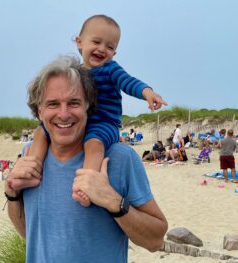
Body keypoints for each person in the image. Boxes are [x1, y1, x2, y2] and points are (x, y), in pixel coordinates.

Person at [5, 56, 168, 262]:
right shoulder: (31, 155)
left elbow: (155, 240)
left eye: (73, 103)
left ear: (87, 106)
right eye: (53, 104)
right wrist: (12, 194)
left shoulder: (119, 158)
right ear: (39, 110)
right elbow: (31, 234)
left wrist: (114, 202)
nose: (63, 114)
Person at [28, 14, 167, 207]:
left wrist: (147, 92)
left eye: (110, 47)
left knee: (93, 144)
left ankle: (87, 186)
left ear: (114, 53)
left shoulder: (110, 69)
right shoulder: (75, 74)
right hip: (81, 123)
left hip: (104, 123)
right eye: (96, 42)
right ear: (79, 42)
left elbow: (128, 82)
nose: (102, 49)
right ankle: (31, 167)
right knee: (40, 131)